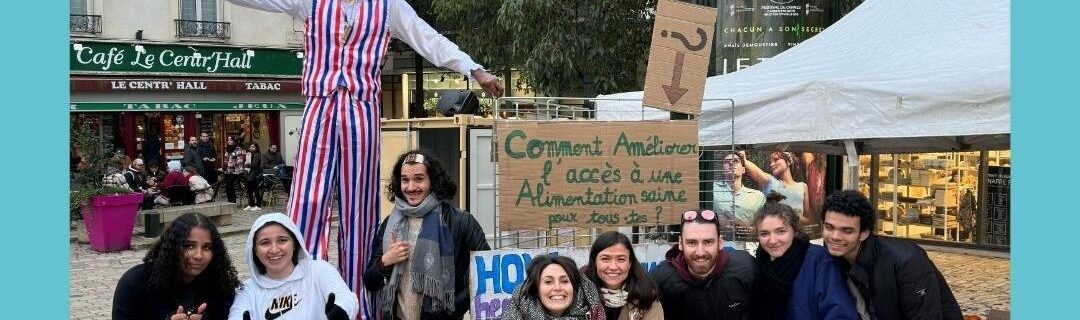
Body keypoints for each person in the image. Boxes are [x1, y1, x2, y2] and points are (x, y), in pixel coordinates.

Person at [222, 1, 505, 315]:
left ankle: (357, 308)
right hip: (320, 103)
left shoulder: (389, 7)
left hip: (362, 109)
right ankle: (303, 304)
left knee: (360, 215)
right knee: (306, 203)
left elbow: (428, 39)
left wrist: (474, 69)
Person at [363, 150, 491, 320]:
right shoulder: (390, 224)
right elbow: (370, 281)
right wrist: (385, 261)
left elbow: (486, 270)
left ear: (433, 181)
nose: (411, 187)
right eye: (405, 180)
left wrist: (452, 309)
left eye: (419, 179)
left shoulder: (460, 221)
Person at [821, 190, 962, 320]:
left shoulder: (907, 261)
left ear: (864, 233)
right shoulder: (830, 259)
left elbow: (925, 315)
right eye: (829, 227)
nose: (835, 236)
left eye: (847, 231)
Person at [228, 213, 360, 320]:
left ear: (295, 244)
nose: (274, 249)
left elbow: (347, 299)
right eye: (265, 243)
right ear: (255, 251)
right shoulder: (247, 291)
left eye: (282, 240)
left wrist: (341, 311)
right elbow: (237, 315)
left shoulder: (319, 271)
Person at [112, 212, 241, 320]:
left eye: (207, 247)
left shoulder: (221, 285)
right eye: (189, 246)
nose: (199, 255)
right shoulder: (135, 283)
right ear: (173, 247)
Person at [750, 193, 857, 320]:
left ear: (794, 231)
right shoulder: (758, 264)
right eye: (764, 234)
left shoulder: (818, 260)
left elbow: (840, 313)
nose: (773, 240)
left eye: (781, 231)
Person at [651, 209, 756, 319]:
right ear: (681, 244)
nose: (700, 252)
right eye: (692, 243)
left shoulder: (745, 269)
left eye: (708, 242)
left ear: (720, 243)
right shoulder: (662, 279)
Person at [583, 231, 664, 320]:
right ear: (594, 262)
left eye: (621, 259)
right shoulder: (579, 296)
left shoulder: (647, 299)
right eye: (605, 259)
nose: (613, 267)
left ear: (629, 263)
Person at [503, 254, 606, 320]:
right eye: (548, 282)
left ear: (575, 288)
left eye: (565, 281)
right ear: (536, 289)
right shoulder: (514, 313)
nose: (557, 288)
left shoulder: (595, 313)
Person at [742, 150, 810, 222]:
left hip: (797, 232)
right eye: (771, 162)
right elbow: (746, 162)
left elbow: (808, 220)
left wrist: (795, 216)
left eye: (776, 160)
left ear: (789, 161)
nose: (771, 164)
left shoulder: (803, 186)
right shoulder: (770, 183)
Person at [713, 152, 766, 225]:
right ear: (723, 170)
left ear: (743, 170)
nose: (731, 163)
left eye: (736, 161)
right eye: (727, 162)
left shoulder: (758, 196)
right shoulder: (710, 189)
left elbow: (762, 224)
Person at [223, 136, 246, 204]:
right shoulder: (227, 149)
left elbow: (240, 161)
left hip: (235, 170)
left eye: (231, 140)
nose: (229, 141)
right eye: (228, 140)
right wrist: (223, 167)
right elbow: (225, 160)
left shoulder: (238, 149)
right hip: (228, 170)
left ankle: (232, 201)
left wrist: (240, 170)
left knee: (229, 185)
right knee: (228, 186)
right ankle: (229, 201)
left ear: (234, 141)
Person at [244, 142, 264, 211]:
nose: (251, 148)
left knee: (256, 190)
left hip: (255, 174)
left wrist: (246, 164)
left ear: (256, 148)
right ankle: (251, 204)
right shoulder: (250, 154)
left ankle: (258, 205)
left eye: (253, 147)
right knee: (249, 190)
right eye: (250, 147)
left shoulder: (257, 155)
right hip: (250, 174)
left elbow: (254, 165)